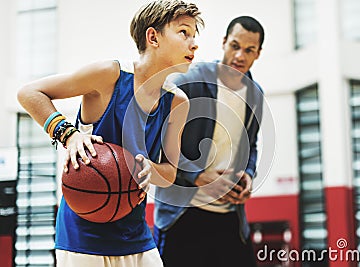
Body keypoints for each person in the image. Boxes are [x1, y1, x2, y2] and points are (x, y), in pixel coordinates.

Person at [17, 0, 203, 266]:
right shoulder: (109, 75)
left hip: (135, 232)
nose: (194, 43)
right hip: (83, 233)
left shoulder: (177, 102)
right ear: (153, 37)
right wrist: (69, 134)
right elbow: (29, 93)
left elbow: (170, 172)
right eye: (184, 32)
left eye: (195, 35)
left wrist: (151, 169)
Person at [154, 16, 265, 267]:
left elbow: (251, 146)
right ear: (224, 42)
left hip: (229, 218)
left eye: (249, 50)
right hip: (182, 215)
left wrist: (248, 174)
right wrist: (197, 175)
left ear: (258, 53)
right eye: (235, 45)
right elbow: (157, 142)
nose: (240, 56)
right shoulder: (187, 82)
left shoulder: (256, 94)